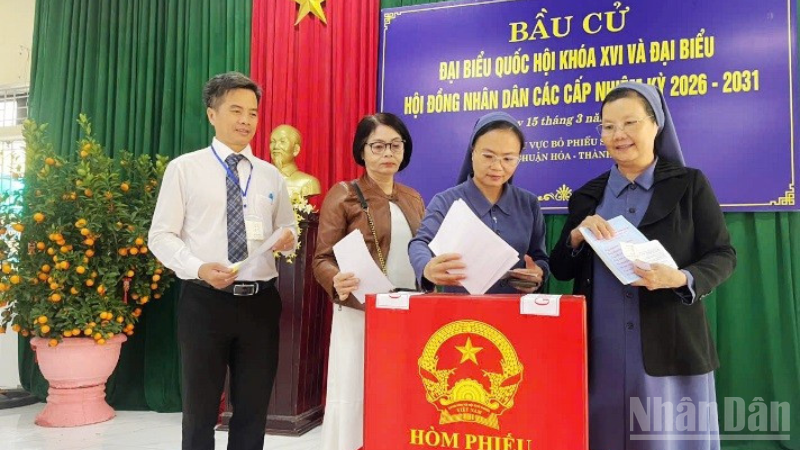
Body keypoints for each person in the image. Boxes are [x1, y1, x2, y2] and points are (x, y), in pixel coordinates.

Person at [549, 82, 736, 449]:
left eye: (630, 123)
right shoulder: (588, 195)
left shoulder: (689, 185)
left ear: (656, 125)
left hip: (670, 344)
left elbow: (722, 254)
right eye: (607, 126)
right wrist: (574, 238)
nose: (618, 135)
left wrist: (681, 277)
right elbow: (561, 269)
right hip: (600, 347)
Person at [149, 72, 297, 450]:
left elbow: (286, 227)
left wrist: (287, 237)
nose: (246, 120)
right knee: (199, 409)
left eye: (252, 112)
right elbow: (161, 235)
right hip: (204, 302)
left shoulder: (270, 175)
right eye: (235, 110)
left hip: (260, 303)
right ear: (212, 114)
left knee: (252, 408)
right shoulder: (184, 169)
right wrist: (198, 267)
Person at [313, 113, 425, 450]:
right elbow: (321, 258)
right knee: (354, 390)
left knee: (398, 390)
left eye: (395, 145)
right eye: (377, 146)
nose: (387, 153)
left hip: (407, 311)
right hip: (360, 310)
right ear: (362, 151)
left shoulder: (414, 198)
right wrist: (337, 280)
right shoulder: (344, 194)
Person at [409, 111, 548, 294]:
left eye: (508, 159)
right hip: (461, 316)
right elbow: (419, 243)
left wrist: (538, 272)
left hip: (514, 312)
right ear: (473, 152)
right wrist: (427, 268)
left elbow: (540, 258)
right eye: (488, 156)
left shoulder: (528, 204)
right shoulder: (446, 201)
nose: (497, 167)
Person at [269, 124, 322, 197]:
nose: (276, 146)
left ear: (295, 150)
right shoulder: (260, 180)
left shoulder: (308, 182)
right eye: (273, 141)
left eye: (282, 141)